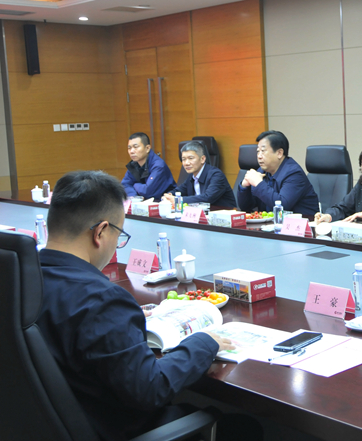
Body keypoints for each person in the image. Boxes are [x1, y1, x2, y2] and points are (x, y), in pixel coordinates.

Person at [35, 171, 234, 440]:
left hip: (48, 424)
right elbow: (150, 389)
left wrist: (119, 322)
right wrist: (204, 343)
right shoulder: (102, 300)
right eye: (119, 234)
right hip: (115, 429)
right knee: (243, 427)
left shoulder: (21, 280)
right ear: (101, 232)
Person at [237, 130, 319, 215]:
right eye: (258, 151)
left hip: (304, 222)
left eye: (263, 151)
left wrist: (259, 184)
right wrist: (244, 187)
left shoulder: (294, 174)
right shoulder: (261, 171)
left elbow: (282, 206)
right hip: (272, 222)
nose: (259, 156)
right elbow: (246, 207)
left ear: (279, 153)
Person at [163, 140, 236, 209]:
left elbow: (207, 198)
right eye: (184, 159)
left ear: (202, 159)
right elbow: (179, 191)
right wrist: (168, 196)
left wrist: (178, 200)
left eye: (191, 158)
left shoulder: (216, 175)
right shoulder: (192, 176)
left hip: (223, 215)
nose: (186, 163)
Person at [121, 132, 176, 200]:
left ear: (147, 148)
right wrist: (135, 197)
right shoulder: (134, 164)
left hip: (163, 202)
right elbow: (125, 185)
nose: (131, 151)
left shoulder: (158, 166)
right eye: (129, 148)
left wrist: (134, 185)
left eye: (136, 147)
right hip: (143, 203)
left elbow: (148, 192)